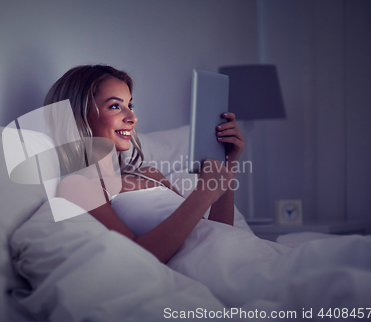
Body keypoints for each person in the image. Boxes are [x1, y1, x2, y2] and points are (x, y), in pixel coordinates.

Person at [44, 64, 244, 264]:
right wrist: (203, 194)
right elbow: (136, 258)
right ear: (79, 115)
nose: (132, 117)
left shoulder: (151, 174)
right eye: (115, 106)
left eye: (130, 106)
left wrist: (228, 162)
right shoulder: (79, 185)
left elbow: (216, 234)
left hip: (235, 258)